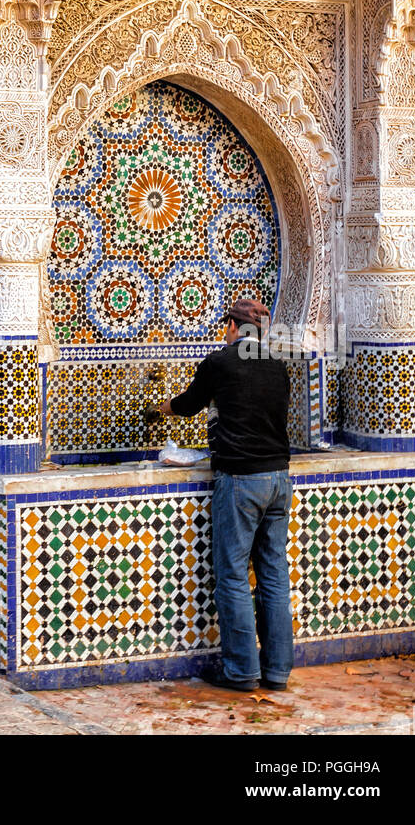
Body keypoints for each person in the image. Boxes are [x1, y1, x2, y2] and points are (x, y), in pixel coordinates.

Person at [151, 296, 294, 692]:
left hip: (241, 480)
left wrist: (161, 410)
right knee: (273, 576)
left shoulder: (219, 363)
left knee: (231, 576)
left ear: (232, 327)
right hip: (279, 480)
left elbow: (189, 404)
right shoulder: (278, 367)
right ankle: (278, 672)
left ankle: (241, 672)